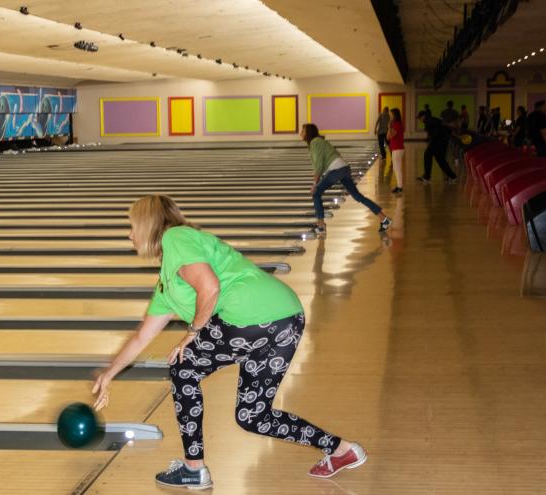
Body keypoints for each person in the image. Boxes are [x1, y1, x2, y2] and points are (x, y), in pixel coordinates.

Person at [92, 195, 368, 490]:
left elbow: (209, 287)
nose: (130, 234)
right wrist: (109, 374)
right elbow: (142, 336)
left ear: (149, 225)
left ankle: (193, 469)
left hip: (249, 315)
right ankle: (341, 449)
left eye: (132, 226)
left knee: (183, 368)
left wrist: (192, 333)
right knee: (253, 416)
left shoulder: (176, 237)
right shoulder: (167, 283)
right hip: (285, 318)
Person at [302, 123, 390, 235]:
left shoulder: (315, 142)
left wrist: (315, 184)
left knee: (316, 193)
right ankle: (384, 218)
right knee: (358, 196)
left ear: (308, 133)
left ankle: (321, 226)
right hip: (344, 168)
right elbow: (332, 156)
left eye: (303, 130)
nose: (301, 133)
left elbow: (319, 165)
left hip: (337, 170)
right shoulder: (319, 141)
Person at [417, 110, 458, 184]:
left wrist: (432, 142)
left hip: (438, 141)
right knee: (440, 159)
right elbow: (443, 126)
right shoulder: (432, 120)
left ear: (423, 116)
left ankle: (427, 177)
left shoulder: (429, 121)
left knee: (427, 154)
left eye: (419, 118)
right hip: (442, 141)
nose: (419, 120)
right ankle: (453, 176)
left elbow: (439, 128)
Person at [387, 108, 405, 194]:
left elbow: (390, 136)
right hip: (396, 148)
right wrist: (389, 127)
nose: (390, 116)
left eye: (391, 115)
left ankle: (400, 187)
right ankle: (399, 186)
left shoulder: (397, 124)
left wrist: (389, 127)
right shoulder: (395, 124)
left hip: (398, 149)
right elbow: (388, 137)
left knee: (397, 168)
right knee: (396, 168)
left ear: (395, 115)